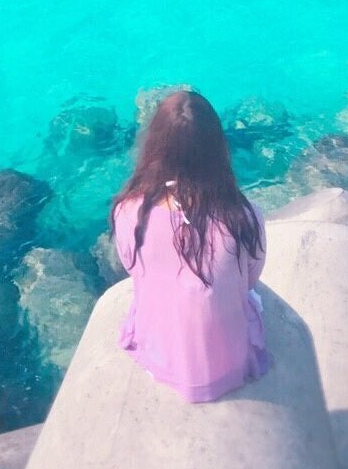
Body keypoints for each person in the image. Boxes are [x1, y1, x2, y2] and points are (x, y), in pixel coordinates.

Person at [110, 88, 268, 402]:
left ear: (154, 145)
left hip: (162, 357)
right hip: (230, 361)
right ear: (217, 147)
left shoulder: (128, 212)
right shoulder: (244, 216)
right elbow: (251, 278)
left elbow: (131, 267)